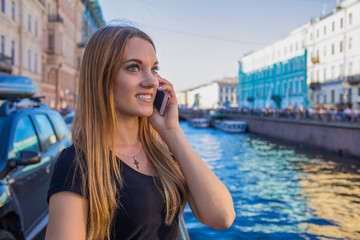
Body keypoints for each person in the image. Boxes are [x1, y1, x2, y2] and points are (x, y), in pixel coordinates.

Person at [45, 25, 235, 240]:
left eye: (154, 69)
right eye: (134, 68)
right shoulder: (76, 163)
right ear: (102, 78)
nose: (152, 81)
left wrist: (172, 132)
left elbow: (222, 217)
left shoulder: (161, 148)